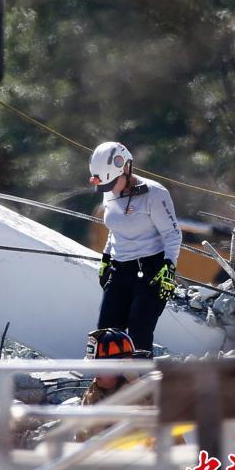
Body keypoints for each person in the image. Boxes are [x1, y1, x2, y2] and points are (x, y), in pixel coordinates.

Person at [89, 141, 180, 355]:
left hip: (150, 271)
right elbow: (115, 229)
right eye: (105, 186)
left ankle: (141, 376)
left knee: (139, 332)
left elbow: (173, 235)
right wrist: (106, 258)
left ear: (126, 169)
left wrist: (169, 267)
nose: (110, 189)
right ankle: (109, 377)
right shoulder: (110, 190)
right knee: (106, 334)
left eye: (113, 183)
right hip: (119, 269)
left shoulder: (155, 194)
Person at [74, 328, 147, 442]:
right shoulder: (92, 393)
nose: (96, 372)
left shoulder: (145, 395)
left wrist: (137, 386)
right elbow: (81, 437)